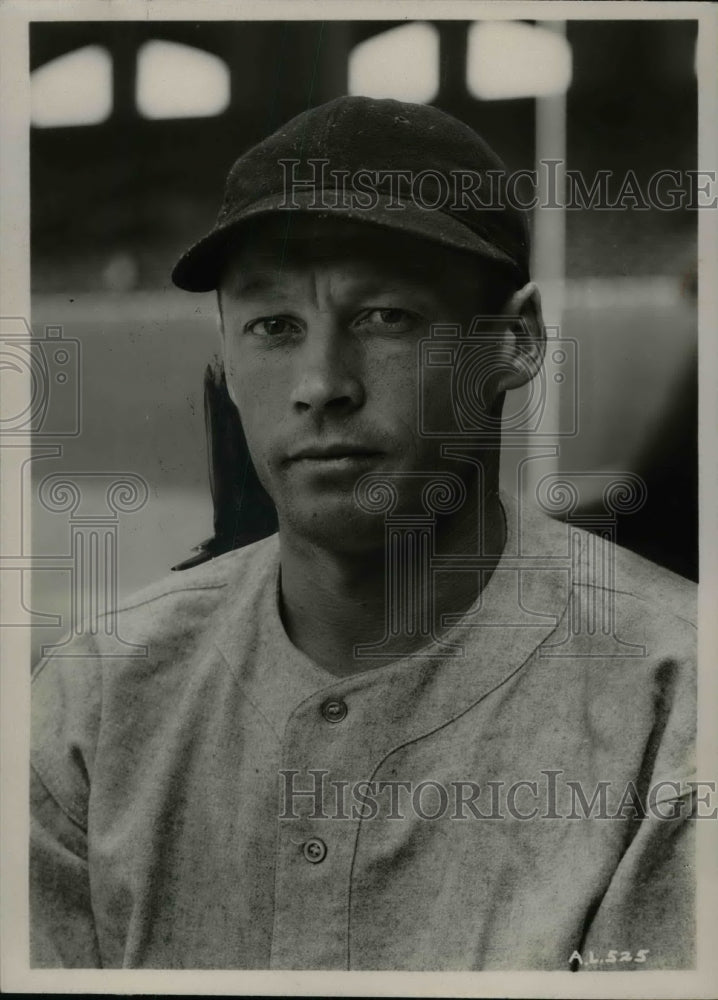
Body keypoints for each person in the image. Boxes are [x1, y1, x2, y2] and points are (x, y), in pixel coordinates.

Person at [30, 96, 696, 971]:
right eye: (274, 327)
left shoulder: (679, 699)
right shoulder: (97, 695)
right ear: (227, 363)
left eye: (385, 317)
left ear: (516, 340)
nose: (321, 384)